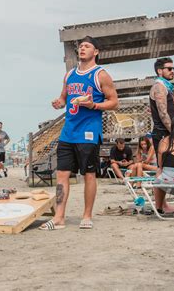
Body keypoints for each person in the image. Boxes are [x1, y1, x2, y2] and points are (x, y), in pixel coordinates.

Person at [42, 36, 118, 230]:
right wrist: (58, 103)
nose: (82, 48)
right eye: (81, 46)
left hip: (88, 132)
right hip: (68, 132)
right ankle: (59, 217)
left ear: (96, 52)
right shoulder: (69, 75)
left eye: (87, 46)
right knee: (62, 175)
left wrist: (94, 105)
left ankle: (86, 216)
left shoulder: (100, 75)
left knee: (89, 175)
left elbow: (114, 102)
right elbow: (63, 98)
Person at [149, 57, 174, 157]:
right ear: (160, 71)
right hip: (163, 133)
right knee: (164, 166)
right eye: (169, 69)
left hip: (166, 132)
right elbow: (163, 113)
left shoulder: (165, 86)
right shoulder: (159, 86)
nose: (172, 71)